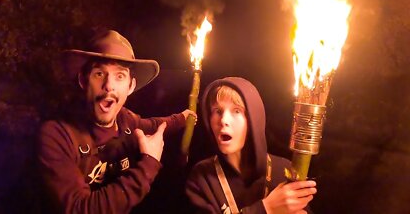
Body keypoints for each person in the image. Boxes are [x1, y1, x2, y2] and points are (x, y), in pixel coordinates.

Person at [37, 29, 195, 213]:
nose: (109, 86)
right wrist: (148, 164)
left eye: (119, 76)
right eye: (99, 74)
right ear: (83, 80)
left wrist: (184, 117)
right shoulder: (56, 135)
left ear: (131, 86)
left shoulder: (126, 121)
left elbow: (155, 124)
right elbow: (79, 209)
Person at [186, 77, 316, 214]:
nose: (224, 120)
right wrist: (266, 209)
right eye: (217, 111)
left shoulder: (284, 170)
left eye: (236, 111)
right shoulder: (202, 178)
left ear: (254, 119)